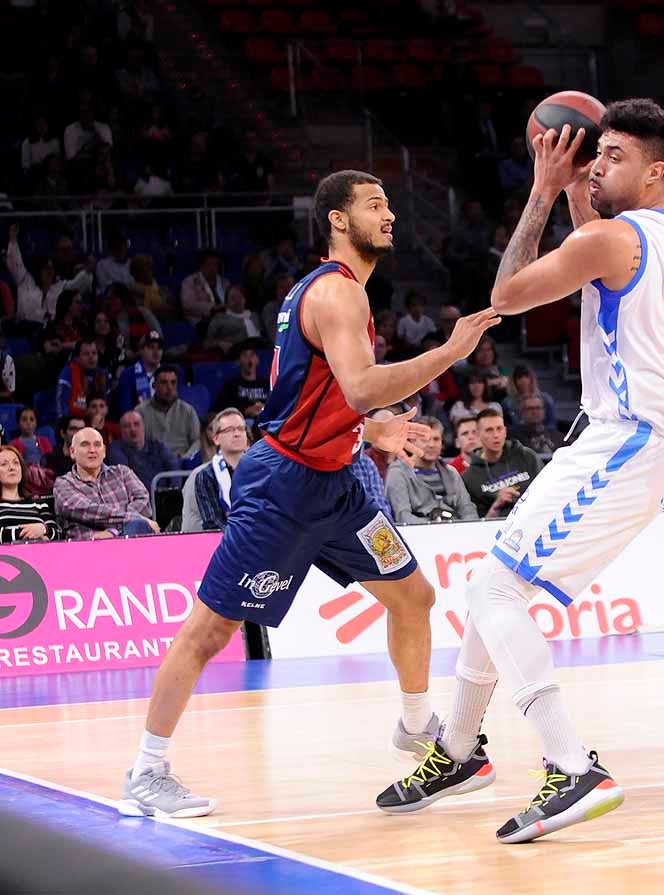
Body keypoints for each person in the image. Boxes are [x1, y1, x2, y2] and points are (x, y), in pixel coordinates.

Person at [379, 100, 664, 842]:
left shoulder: (618, 239)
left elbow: (507, 295)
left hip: (625, 441)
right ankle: (460, 751)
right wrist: (578, 184)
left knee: (496, 587)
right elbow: (595, 237)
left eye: (615, 157)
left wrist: (541, 187)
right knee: (497, 581)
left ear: (655, 170)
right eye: (600, 154)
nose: (599, 165)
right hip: (638, 441)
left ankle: (572, 766)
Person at [118, 169, 499, 819]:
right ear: (337, 220)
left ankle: (415, 725)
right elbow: (358, 386)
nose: (391, 216)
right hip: (284, 486)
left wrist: (369, 429)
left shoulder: (330, 293)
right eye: (375, 205)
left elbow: (318, 396)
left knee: (413, 594)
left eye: (390, 206)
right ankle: (146, 771)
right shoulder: (338, 293)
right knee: (211, 629)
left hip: (339, 481)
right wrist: (451, 350)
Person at [54, 427, 159, 540]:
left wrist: (114, 532)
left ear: (104, 451)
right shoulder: (64, 484)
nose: (92, 450)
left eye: (97, 444)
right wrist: (134, 518)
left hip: (131, 541)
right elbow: (89, 511)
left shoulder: (123, 473)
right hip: (88, 547)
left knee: (139, 526)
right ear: (72, 452)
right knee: (140, 524)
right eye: (85, 445)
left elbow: (144, 503)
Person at [385, 417, 478, 524]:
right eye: (425, 440)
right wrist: (436, 529)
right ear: (412, 442)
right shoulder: (398, 473)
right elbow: (403, 517)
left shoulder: (451, 473)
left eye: (436, 439)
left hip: (456, 531)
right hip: (419, 534)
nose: (431, 445)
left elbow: (467, 508)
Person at [461, 408, 543, 519]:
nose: (496, 435)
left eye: (499, 429)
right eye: (489, 430)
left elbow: (547, 492)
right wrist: (496, 505)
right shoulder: (470, 477)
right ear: (478, 434)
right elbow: (477, 525)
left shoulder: (527, 456)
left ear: (505, 431)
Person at [193, 408, 248, 530]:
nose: (237, 434)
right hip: (226, 542)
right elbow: (213, 522)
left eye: (240, 429)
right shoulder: (206, 476)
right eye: (230, 430)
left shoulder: (260, 470)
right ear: (216, 439)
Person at [137, 366, 201, 458]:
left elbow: (197, 440)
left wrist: (187, 457)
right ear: (154, 386)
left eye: (173, 383)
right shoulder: (140, 412)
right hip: (153, 463)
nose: (169, 387)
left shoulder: (188, 410)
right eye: (164, 383)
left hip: (182, 462)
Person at [0, 446, 59, 542]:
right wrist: (32, 534)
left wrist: (44, 529)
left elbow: (58, 535)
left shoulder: (38, 503)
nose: (12, 467)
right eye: (4, 464)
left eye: (16, 463)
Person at [212, 341, 269, 419]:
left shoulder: (267, 384)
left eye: (252, 355)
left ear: (257, 360)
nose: (249, 359)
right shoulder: (231, 386)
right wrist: (245, 411)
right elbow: (219, 412)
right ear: (239, 361)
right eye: (245, 355)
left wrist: (264, 409)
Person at [57, 339, 108, 419]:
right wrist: (64, 422)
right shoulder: (68, 372)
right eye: (86, 354)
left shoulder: (103, 374)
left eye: (94, 353)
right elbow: (61, 403)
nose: (91, 357)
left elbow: (108, 403)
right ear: (77, 358)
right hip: (73, 421)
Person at [116, 331, 163, 413]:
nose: (156, 352)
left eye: (159, 348)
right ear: (141, 350)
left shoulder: (167, 374)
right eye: (151, 347)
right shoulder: (128, 375)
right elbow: (126, 410)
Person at [502, 364, 557, 429]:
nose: (523, 380)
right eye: (519, 377)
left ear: (531, 379)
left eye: (526, 376)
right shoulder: (507, 403)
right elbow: (507, 427)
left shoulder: (546, 399)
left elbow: (551, 425)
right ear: (514, 381)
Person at [509, 393, 563, 459]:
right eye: (530, 409)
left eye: (538, 408)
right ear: (521, 412)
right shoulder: (512, 437)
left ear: (544, 411)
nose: (535, 412)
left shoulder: (556, 435)